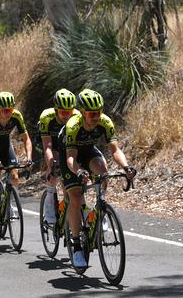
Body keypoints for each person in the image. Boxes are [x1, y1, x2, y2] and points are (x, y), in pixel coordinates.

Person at [60, 89, 137, 268]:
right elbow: (71, 158)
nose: (96, 117)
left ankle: (99, 210)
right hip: (69, 153)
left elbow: (115, 150)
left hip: (87, 151)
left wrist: (126, 168)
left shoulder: (105, 122)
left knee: (103, 170)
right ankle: (77, 245)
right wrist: (78, 171)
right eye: (91, 114)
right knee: (76, 197)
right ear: (83, 112)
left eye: (98, 112)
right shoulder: (73, 125)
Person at [0, 92, 32, 226]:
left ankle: (9, 204)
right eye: (5, 110)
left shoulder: (16, 116)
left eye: (10, 109)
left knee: (14, 176)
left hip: (5, 145)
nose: (8, 113)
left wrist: (29, 158)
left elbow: (26, 139)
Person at [38, 89, 79, 224]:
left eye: (70, 112)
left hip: (67, 145)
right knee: (54, 171)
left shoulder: (77, 116)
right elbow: (47, 147)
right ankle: (50, 201)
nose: (67, 115)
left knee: (71, 183)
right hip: (51, 144)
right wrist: (52, 164)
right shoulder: (47, 117)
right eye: (63, 112)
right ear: (56, 110)